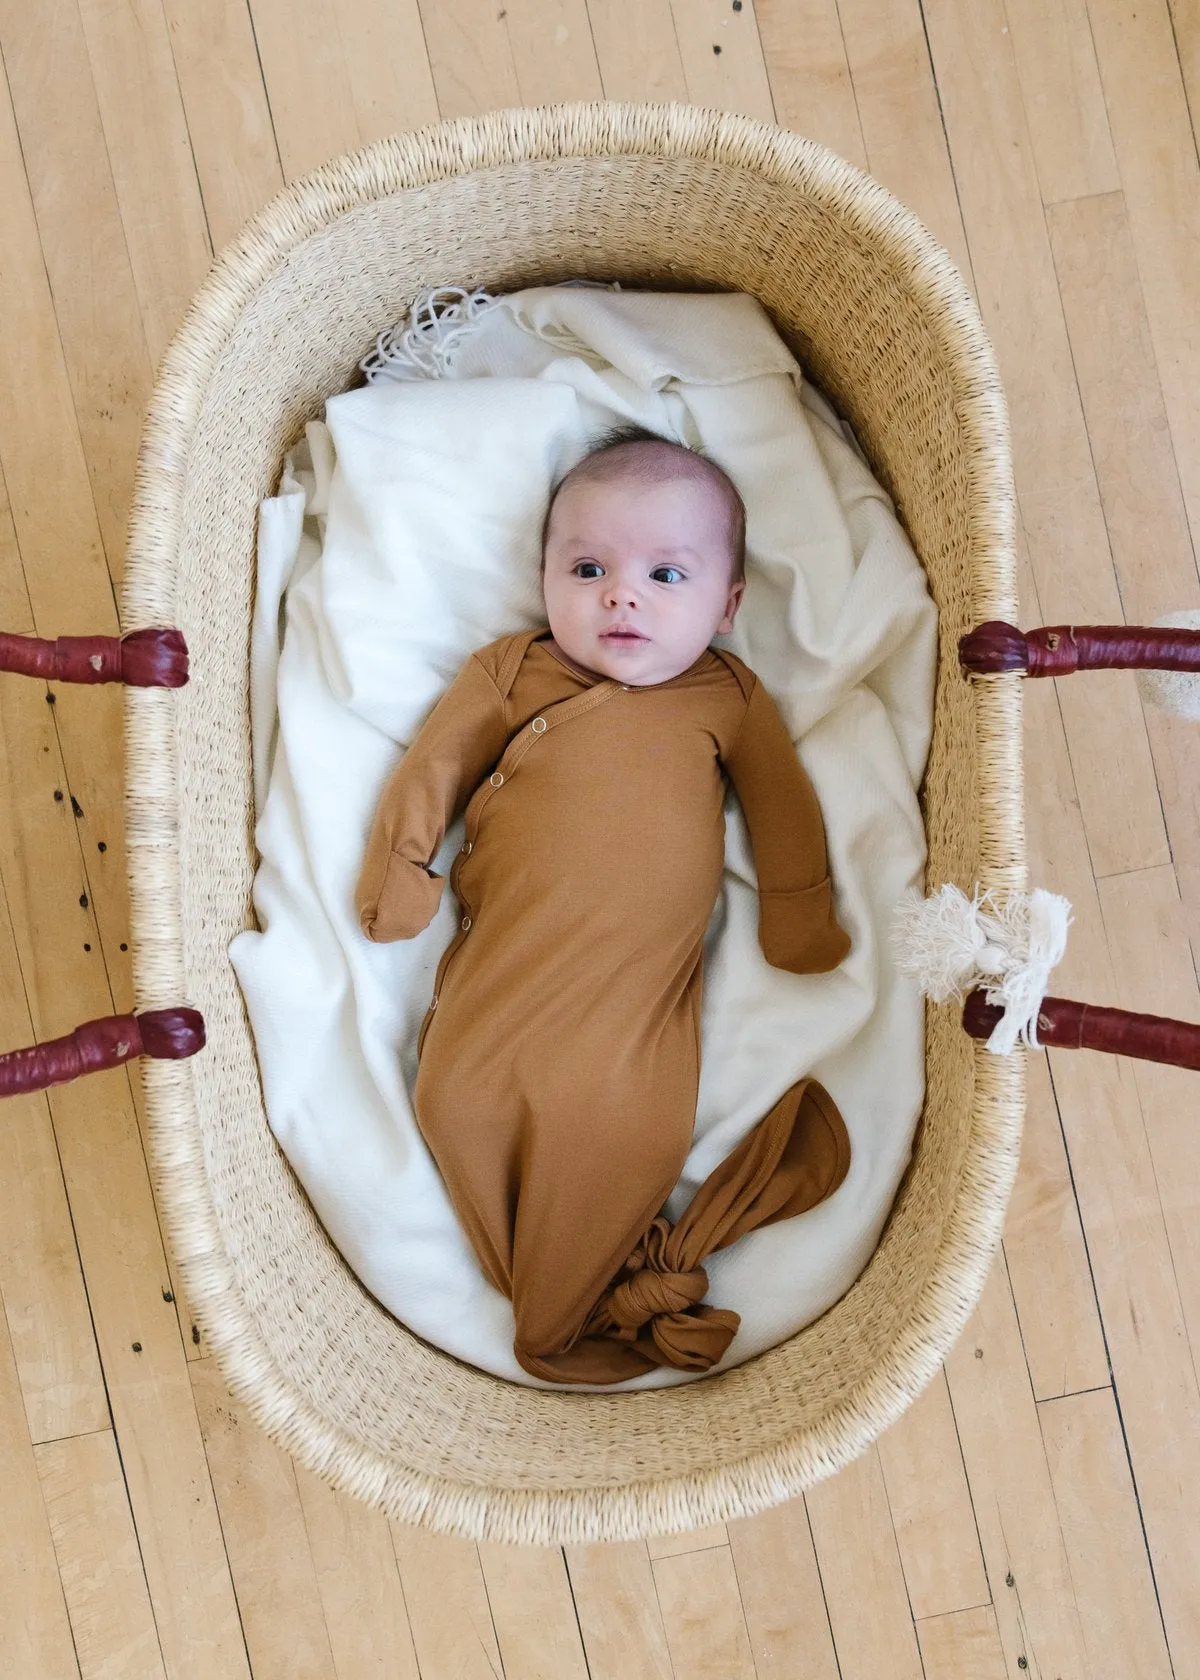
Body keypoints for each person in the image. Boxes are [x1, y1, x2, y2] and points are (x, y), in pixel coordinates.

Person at [356, 428, 852, 1385]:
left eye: (668, 574)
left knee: (634, 1130)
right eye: (588, 567)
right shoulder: (514, 670)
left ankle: (570, 1302)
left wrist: (796, 913)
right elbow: (436, 766)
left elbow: (785, 810)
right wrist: (403, 868)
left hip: (639, 998)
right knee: (453, 1098)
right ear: (543, 576)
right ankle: (561, 1296)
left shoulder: (727, 696)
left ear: (727, 606)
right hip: (510, 965)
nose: (622, 594)